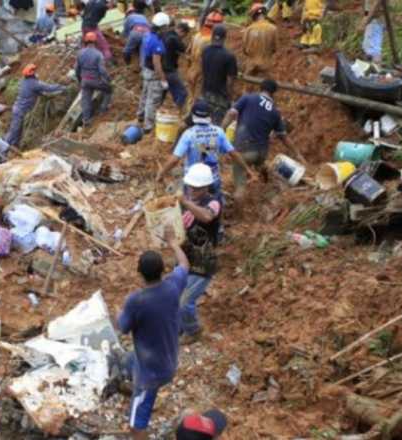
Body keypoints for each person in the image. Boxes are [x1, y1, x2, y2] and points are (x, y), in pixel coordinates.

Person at [117, 226, 189, 440]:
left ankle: (140, 396)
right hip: (168, 357)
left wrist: (117, 313)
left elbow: (122, 328)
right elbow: (185, 264)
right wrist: (173, 242)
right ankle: (132, 389)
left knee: (136, 427)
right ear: (163, 270)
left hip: (152, 374)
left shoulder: (136, 301)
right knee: (126, 360)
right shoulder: (172, 285)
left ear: (139, 273)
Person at [221, 80, 302, 187]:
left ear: (261, 88)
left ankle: (241, 195)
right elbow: (284, 137)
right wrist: (298, 154)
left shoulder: (248, 98)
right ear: (273, 93)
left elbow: (231, 113)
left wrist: (220, 131)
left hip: (245, 150)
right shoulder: (275, 112)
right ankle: (265, 180)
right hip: (261, 153)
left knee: (240, 187)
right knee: (260, 164)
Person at [175, 164, 222, 340]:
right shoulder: (188, 201)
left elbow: (207, 216)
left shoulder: (213, 202)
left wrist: (186, 202)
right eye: (191, 187)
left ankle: (193, 331)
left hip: (202, 261)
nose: (192, 190)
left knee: (185, 301)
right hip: (184, 257)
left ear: (206, 187)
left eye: (197, 188)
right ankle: (180, 327)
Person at [156, 100, 236, 195]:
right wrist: (248, 170)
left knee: (192, 205)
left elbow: (174, 160)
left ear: (193, 115)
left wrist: (161, 173)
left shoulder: (189, 134)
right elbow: (233, 153)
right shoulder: (219, 132)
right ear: (210, 115)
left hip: (193, 182)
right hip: (213, 179)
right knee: (214, 204)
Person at [6, 64, 66, 148]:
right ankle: (4, 147)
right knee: (14, 130)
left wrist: (45, 95)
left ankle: (15, 146)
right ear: (32, 74)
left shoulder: (25, 82)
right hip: (20, 110)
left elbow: (36, 93)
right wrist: (62, 88)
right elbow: (49, 88)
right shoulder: (34, 84)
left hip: (18, 108)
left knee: (18, 130)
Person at [138, 13, 171, 133]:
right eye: (166, 27)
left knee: (145, 94)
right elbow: (157, 63)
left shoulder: (147, 35)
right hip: (153, 73)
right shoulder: (157, 42)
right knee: (153, 99)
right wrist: (162, 79)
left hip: (146, 70)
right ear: (162, 27)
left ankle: (140, 115)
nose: (167, 29)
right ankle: (148, 126)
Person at [200, 25, 240, 124]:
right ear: (224, 38)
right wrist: (230, 96)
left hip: (206, 92)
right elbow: (230, 81)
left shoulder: (205, 51)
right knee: (217, 125)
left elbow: (202, 70)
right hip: (220, 97)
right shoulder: (229, 56)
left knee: (203, 121)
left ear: (212, 36)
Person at [76, 32, 114, 127]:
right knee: (108, 90)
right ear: (95, 41)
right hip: (95, 80)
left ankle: (86, 121)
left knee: (86, 101)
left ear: (85, 41)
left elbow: (77, 69)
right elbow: (102, 70)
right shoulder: (98, 54)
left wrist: (79, 80)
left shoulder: (80, 53)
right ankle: (102, 110)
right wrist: (109, 80)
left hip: (85, 80)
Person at [189, 10, 224, 87]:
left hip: (193, 68)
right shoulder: (211, 40)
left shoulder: (196, 35)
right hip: (204, 71)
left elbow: (188, 50)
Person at [243, 4, 278, 77]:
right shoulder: (273, 29)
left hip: (251, 64)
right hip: (266, 64)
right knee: (266, 85)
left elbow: (244, 50)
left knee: (248, 84)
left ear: (253, 15)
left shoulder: (249, 29)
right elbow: (275, 48)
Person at [162, 21, 190, 109]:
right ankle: (176, 111)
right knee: (182, 93)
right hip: (169, 70)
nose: (183, 37)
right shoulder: (174, 39)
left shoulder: (165, 34)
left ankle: (154, 114)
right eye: (184, 35)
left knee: (162, 94)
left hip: (160, 70)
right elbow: (185, 49)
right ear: (181, 31)